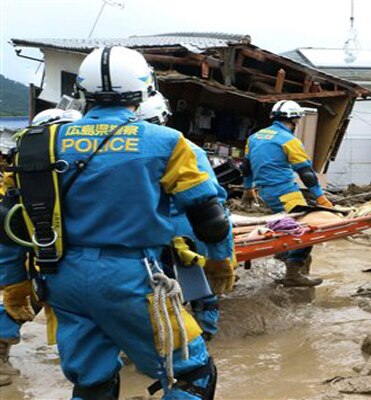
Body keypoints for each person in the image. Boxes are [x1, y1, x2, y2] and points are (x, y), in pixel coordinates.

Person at [0, 46, 234, 399]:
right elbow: (209, 217)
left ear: (81, 92)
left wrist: (14, 285)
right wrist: (219, 263)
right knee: (193, 372)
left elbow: (10, 227)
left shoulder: (36, 143)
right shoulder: (168, 142)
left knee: (92, 380)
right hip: (132, 278)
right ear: (145, 90)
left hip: (60, 278)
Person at [0, 108, 82, 387]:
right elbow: (9, 240)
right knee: (26, 300)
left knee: (27, 299)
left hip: (49, 258)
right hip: (47, 259)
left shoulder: (23, 175)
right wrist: (15, 285)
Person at [136, 92, 222, 340]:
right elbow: (209, 198)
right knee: (200, 288)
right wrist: (221, 254)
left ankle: (166, 338)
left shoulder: (123, 150)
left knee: (155, 289)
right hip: (186, 230)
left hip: (146, 234)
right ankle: (204, 335)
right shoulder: (185, 147)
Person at [242, 100, 333, 287]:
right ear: (295, 120)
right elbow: (306, 172)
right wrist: (320, 198)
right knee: (307, 229)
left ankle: (283, 261)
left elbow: (246, 166)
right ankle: (292, 274)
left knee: (287, 225)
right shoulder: (289, 140)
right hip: (285, 192)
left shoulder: (255, 137)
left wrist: (247, 188)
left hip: (266, 192)